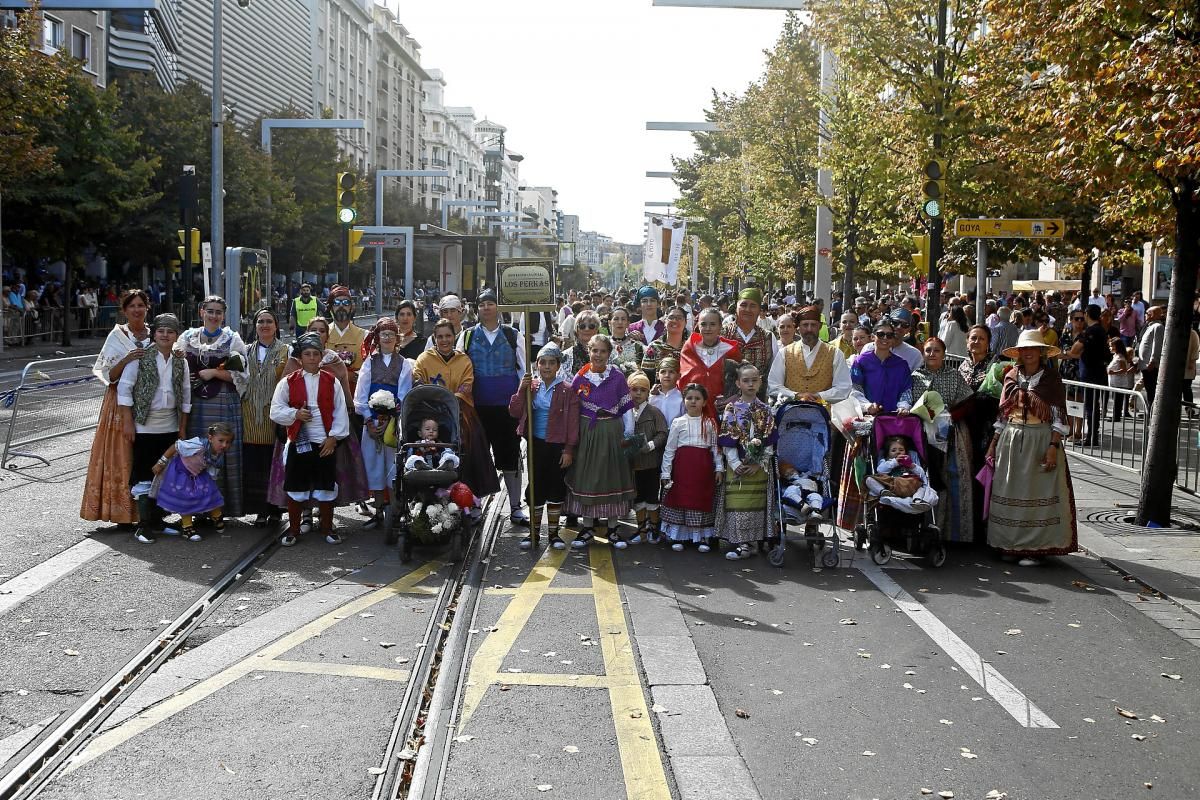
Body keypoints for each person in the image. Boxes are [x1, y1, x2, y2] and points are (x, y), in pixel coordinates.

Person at [986, 330, 1078, 565]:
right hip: (1012, 438)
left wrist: (1052, 446)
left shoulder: (1050, 379)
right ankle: (1009, 544)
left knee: (1036, 492)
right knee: (1010, 490)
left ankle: (1033, 549)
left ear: (1042, 353)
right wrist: (994, 443)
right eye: (1024, 349)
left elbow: (1058, 415)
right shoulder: (1010, 376)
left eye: (1033, 349)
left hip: (1040, 439)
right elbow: (1003, 415)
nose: (1028, 353)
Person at [270, 334, 351, 546]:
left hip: (324, 441)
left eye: (316, 354)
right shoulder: (288, 382)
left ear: (321, 356)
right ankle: (294, 529)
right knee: (296, 486)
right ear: (301, 357)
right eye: (308, 354)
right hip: (299, 440)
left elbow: (341, 412)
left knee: (326, 485)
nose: (312, 358)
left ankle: (327, 528)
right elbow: (275, 410)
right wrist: (295, 415)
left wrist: (333, 438)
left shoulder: (332, 381)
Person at [81, 289, 153, 529]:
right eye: (131, 306)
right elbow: (108, 374)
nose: (136, 310)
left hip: (148, 402)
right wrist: (127, 359)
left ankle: (147, 510)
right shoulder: (117, 336)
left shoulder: (155, 334)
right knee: (120, 455)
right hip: (118, 402)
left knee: (145, 455)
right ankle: (121, 511)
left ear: (147, 307)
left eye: (140, 305)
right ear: (124, 310)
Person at [117, 313, 191, 544]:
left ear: (176, 335)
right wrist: (129, 422)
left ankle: (158, 521)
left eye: (170, 332)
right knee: (144, 474)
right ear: (154, 333)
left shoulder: (181, 360)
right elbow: (124, 390)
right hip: (145, 424)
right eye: (161, 331)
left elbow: (186, 394)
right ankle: (144, 525)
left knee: (165, 475)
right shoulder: (140, 358)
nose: (165, 335)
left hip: (169, 423)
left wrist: (182, 427)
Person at [459, 289, 528, 525]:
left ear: (498, 307)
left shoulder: (512, 335)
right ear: (476, 309)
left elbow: (524, 370)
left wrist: (522, 404)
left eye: (491, 303)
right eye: (482, 304)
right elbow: (460, 368)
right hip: (476, 408)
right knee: (476, 456)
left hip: (506, 409)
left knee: (510, 457)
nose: (486, 308)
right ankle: (475, 505)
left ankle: (516, 507)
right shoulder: (467, 336)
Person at [177, 295, 248, 519]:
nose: (214, 316)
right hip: (196, 406)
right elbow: (175, 368)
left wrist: (215, 373)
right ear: (202, 313)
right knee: (197, 455)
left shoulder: (232, 339)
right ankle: (197, 510)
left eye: (218, 312)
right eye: (210, 311)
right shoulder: (187, 338)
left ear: (223, 315)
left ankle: (219, 510)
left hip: (223, 404)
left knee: (220, 454)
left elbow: (242, 376)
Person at [563, 334, 637, 549]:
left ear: (609, 353)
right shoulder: (582, 376)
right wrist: (572, 438)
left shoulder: (617, 377)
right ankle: (587, 528)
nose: (598, 355)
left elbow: (626, 408)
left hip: (612, 430)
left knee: (611, 476)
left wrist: (628, 434)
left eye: (603, 351)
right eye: (595, 350)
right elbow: (574, 408)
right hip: (588, 432)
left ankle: (613, 529)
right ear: (589, 351)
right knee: (588, 476)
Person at [414, 319, 500, 500]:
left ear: (454, 337)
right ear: (434, 338)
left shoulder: (464, 360)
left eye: (448, 336)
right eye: (440, 337)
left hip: (458, 411)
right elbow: (418, 381)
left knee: (470, 441)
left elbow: (467, 385)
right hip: (430, 412)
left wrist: (450, 401)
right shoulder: (424, 359)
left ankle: (469, 497)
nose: (444, 340)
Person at [509, 343, 579, 551]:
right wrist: (522, 388)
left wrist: (568, 450)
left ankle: (554, 534)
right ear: (537, 365)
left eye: (551, 363)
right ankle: (534, 532)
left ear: (558, 365)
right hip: (536, 444)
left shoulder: (568, 390)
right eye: (543, 363)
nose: (546, 367)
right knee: (536, 488)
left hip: (557, 446)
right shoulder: (532, 386)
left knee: (556, 488)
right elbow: (514, 411)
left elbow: (573, 424)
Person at [911, 337, 975, 542]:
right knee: (924, 477)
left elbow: (968, 401)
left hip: (951, 435)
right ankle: (919, 529)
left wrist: (950, 417)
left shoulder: (954, 375)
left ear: (944, 354)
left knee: (951, 479)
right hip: (921, 435)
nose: (932, 354)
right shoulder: (915, 376)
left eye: (936, 350)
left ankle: (952, 533)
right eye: (928, 350)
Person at [354, 317, 415, 531]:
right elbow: (360, 395)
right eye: (383, 334)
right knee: (373, 465)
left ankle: (395, 512)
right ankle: (379, 511)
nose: (387, 338)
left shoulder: (404, 364)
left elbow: (404, 394)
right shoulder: (369, 362)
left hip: (393, 424)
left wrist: (390, 418)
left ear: (397, 338)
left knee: (393, 466)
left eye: (391, 334)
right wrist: (370, 420)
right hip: (371, 422)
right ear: (377, 338)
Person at [716, 363, 777, 561]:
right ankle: (740, 542)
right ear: (738, 383)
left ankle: (754, 541)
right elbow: (727, 437)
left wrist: (759, 463)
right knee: (737, 504)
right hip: (739, 466)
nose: (750, 384)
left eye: (754, 380)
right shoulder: (732, 408)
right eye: (746, 381)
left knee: (757, 505)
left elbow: (769, 441)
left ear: (760, 382)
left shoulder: (766, 410)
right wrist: (734, 463)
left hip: (759, 468)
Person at [660, 383, 724, 553]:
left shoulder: (709, 423)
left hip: (702, 470)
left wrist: (719, 468)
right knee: (680, 499)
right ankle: (679, 536)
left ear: (704, 402)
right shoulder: (678, 422)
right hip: (682, 470)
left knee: (700, 500)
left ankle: (702, 536)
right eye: (689, 398)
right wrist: (666, 472)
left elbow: (715, 448)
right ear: (684, 400)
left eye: (697, 398)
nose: (693, 401)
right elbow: (669, 449)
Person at [242, 309, 289, 528]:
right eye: (260, 321)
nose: (264, 325)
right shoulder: (244, 351)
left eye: (269, 321)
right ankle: (258, 510)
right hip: (250, 415)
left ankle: (275, 509)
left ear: (276, 325)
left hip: (274, 415)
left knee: (274, 463)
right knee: (254, 464)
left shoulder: (285, 351)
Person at [152, 421, 234, 542]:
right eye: (221, 441)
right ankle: (187, 527)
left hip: (198, 473)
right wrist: (161, 462)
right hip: (181, 472)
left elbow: (212, 467)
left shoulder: (218, 454)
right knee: (185, 499)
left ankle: (217, 516)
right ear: (210, 438)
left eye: (228, 442)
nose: (224, 445)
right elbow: (176, 446)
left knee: (211, 492)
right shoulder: (197, 445)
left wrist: (210, 478)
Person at [767, 306, 853, 405]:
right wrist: (795, 395)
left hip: (824, 414)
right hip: (789, 412)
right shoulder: (785, 353)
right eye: (805, 325)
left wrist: (820, 396)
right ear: (798, 327)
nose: (809, 329)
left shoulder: (835, 353)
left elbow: (844, 388)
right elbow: (773, 386)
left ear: (820, 326)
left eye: (813, 325)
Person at [627, 370, 669, 545]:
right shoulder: (626, 412)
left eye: (642, 390)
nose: (638, 393)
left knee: (652, 497)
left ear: (648, 391)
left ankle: (653, 528)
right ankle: (640, 529)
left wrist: (650, 445)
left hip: (651, 463)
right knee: (638, 497)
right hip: (633, 463)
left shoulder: (654, 412)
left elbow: (662, 433)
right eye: (634, 389)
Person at [678, 307, 742, 420]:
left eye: (712, 324)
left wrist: (734, 398)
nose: (708, 328)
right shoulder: (689, 349)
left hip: (723, 412)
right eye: (703, 324)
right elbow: (683, 379)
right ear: (698, 326)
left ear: (720, 326)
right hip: (695, 411)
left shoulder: (731, 349)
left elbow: (741, 380)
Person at [722, 288, 778, 393]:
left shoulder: (768, 337)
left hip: (757, 402)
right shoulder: (722, 333)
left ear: (759, 310)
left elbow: (774, 374)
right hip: (724, 401)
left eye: (753, 306)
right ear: (736, 308)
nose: (748, 309)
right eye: (743, 305)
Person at [640, 305, 689, 383]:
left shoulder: (690, 347)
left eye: (679, 318)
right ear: (665, 321)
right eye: (671, 317)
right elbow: (646, 376)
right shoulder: (655, 347)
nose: (675, 320)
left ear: (685, 322)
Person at [1136, 304, 1166, 412]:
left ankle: (1152, 414)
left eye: (1147, 313)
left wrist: (1153, 361)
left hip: (1151, 366)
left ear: (1152, 315)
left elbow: (1157, 345)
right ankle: (1150, 412)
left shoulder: (1158, 327)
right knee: (1149, 390)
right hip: (1145, 365)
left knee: (1151, 391)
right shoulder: (1149, 326)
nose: (1145, 315)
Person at [561, 308, 603, 380]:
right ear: (576, 330)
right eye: (582, 326)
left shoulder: (606, 353)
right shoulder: (566, 355)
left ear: (597, 330)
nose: (587, 329)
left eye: (591, 326)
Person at [650, 356, 684, 427]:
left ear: (679, 376)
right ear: (657, 375)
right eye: (663, 372)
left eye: (671, 372)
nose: (667, 375)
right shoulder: (651, 397)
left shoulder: (682, 398)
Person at [1107, 337, 1135, 421]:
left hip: (1119, 383)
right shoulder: (1115, 356)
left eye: (1112, 346)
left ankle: (1116, 417)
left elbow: (1124, 370)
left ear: (1117, 347)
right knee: (1116, 400)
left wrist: (1113, 372)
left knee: (1117, 400)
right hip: (1114, 382)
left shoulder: (1120, 357)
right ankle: (1116, 415)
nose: (1110, 348)